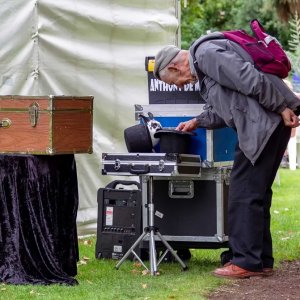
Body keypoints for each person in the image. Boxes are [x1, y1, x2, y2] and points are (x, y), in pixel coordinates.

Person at [153, 36, 300, 279]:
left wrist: (281, 107)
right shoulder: (205, 65)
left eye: (175, 82)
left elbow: (249, 79)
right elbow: (231, 105)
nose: (180, 86)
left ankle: (245, 261)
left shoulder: (207, 54)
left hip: (263, 124)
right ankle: (261, 260)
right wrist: (197, 121)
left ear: (174, 67)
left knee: (243, 192)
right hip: (266, 123)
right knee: (257, 193)